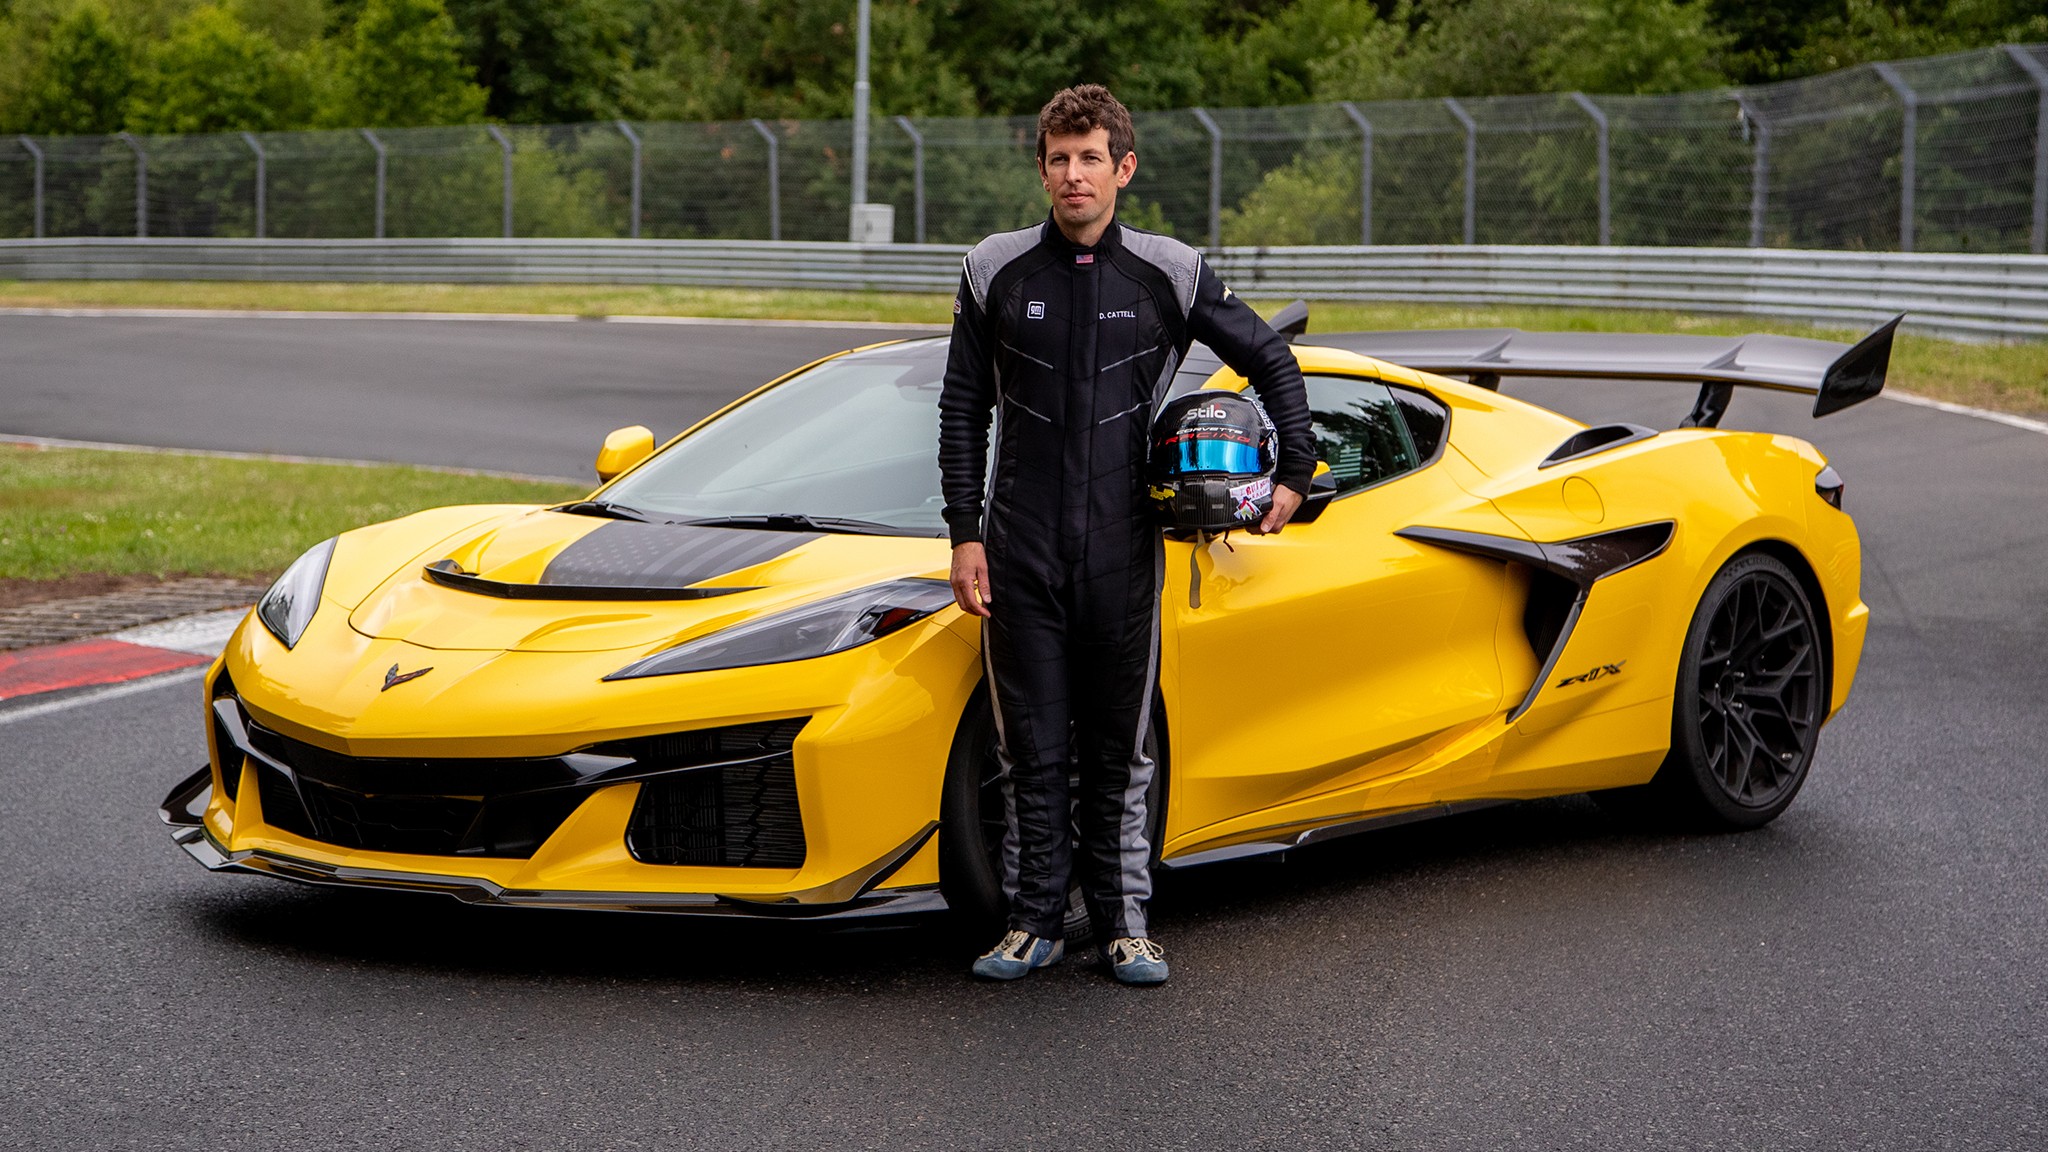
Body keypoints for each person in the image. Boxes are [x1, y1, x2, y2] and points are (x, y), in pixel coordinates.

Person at [937, 84, 1316, 986]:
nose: (1075, 175)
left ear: (1124, 169)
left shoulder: (1168, 271)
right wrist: (964, 532)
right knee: (1030, 743)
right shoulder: (994, 269)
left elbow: (1271, 356)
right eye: (1060, 159)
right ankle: (1033, 923)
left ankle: (1125, 923)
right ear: (1041, 169)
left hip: (1122, 546)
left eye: (1091, 158)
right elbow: (962, 409)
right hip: (1018, 545)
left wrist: (1294, 474)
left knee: (1122, 744)